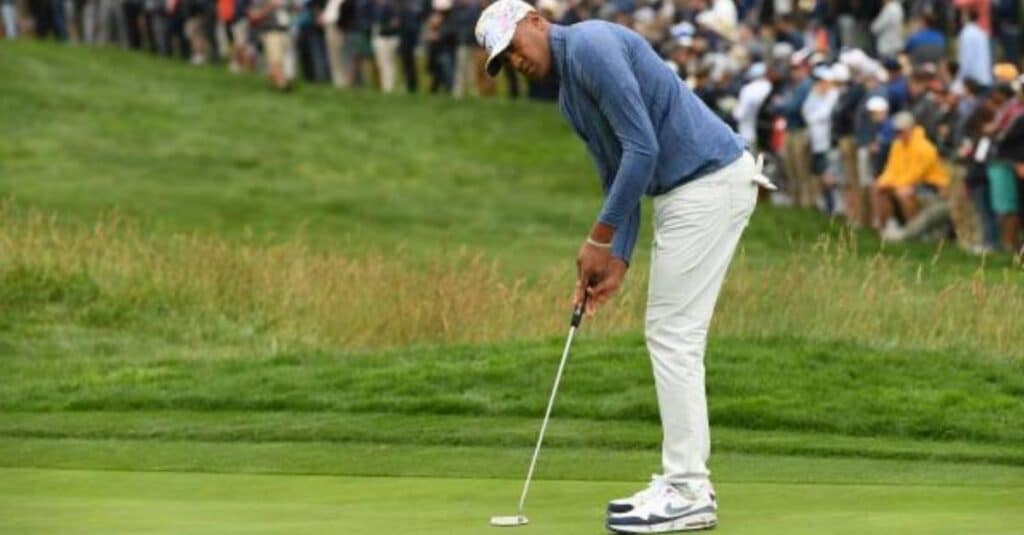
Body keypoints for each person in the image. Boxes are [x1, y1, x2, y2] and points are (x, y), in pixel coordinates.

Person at [474, 1, 775, 532]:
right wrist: (618, 259)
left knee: (672, 334)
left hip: (708, 181)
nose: (515, 60)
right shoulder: (570, 99)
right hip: (687, 191)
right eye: (503, 59)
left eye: (515, 45)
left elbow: (643, 149)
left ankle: (686, 489)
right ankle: (684, 480)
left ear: (537, 21)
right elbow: (620, 176)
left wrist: (598, 238)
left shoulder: (590, 44)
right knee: (671, 333)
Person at [873, 111, 950, 233]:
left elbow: (916, 175)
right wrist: (883, 182)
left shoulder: (925, 148)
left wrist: (895, 184)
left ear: (910, 129)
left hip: (931, 185)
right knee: (879, 188)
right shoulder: (897, 145)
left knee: (904, 193)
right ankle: (884, 227)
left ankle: (913, 230)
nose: (897, 134)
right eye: (896, 131)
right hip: (907, 182)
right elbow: (891, 168)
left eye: (900, 131)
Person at [248, 0, 292, 89]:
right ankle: (282, 85)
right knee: (276, 59)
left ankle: (274, 81)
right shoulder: (260, 2)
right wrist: (269, 7)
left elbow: (294, 11)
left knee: (284, 61)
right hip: (271, 32)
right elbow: (253, 16)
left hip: (286, 32)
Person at [957, 9, 992, 87]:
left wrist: (961, 77)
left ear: (966, 17)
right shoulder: (981, 32)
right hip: (985, 76)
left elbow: (966, 57)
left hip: (973, 78)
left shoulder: (966, 33)